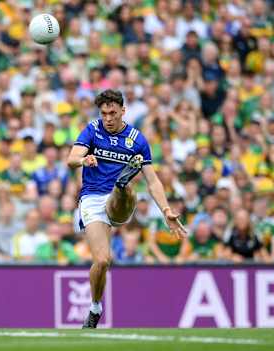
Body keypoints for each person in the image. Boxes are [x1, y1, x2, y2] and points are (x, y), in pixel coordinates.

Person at [66, 89, 186, 329]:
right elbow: (71, 158)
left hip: (119, 202)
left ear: (123, 111)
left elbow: (152, 181)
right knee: (102, 261)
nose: (108, 118)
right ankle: (95, 308)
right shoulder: (92, 129)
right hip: (91, 198)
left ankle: (122, 183)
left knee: (126, 189)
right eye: (104, 113)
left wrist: (165, 211)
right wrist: (84, 160)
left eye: (112, 113)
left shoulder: (137, 139)